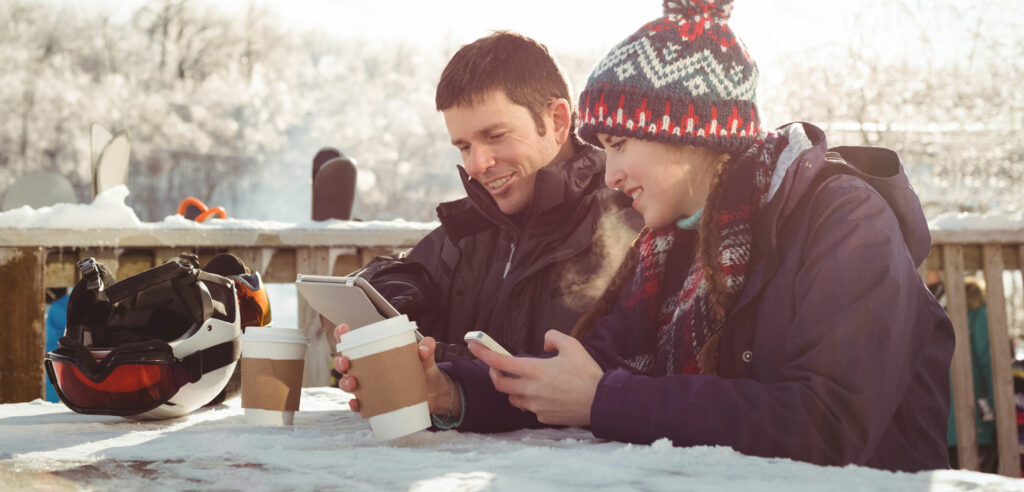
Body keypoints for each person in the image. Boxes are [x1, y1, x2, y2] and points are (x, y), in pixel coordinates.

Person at [335, 0, 953, 472]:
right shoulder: (671, 245)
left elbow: (830, 424)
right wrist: (448, 390)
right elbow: (574, 377)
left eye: (620, 144)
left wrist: (607, 402)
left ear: (691, 133)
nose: (610, 174)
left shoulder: (843, 221)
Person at [352, 31, 643, 360]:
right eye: (464, 146)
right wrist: (393, 296)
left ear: (558, 121)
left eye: (496, 135)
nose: (477, 165)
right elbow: (402, 270)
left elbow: (573, 385)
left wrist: (443, 372)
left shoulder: (629, 226)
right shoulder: (472, 227)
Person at [927, 273, 998, 473]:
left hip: (973, 420)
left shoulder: (973, 309)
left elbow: (989, 362)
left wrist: (994, 408)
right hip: (940, 424)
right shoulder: (927, 302)